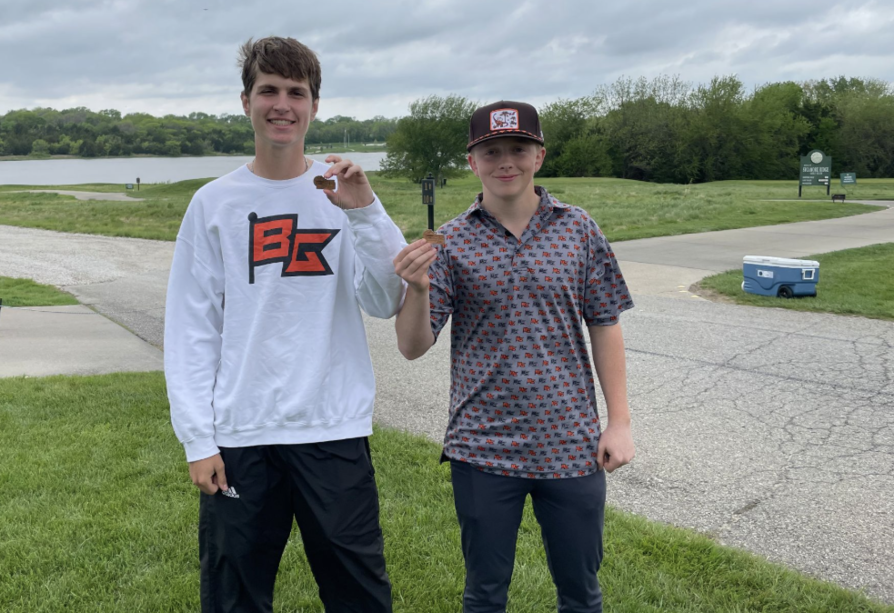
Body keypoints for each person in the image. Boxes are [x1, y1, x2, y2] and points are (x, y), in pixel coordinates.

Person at [164, 36, 405, 613]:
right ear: (245, 101)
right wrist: (199, 439)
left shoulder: (341, 193)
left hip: (333, 427)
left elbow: (388, 297)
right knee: (234, 596)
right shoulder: (214, 203)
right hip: (242, 434)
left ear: (314, 105)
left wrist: (366, 209)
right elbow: (192, 331)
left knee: (359, 592)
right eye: (268, 90)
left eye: (296, 92)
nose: (282, 105)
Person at [393, 101, 635, 613]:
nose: (507, 161)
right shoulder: (451, 241)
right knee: (484, 593)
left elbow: (606, 324)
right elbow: (412, 347)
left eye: (518, 149)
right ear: (472, 161)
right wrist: (416, 290)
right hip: (483, 446)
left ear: (539, 155)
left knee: (581, 592)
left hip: (572, 443)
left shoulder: (578, 229)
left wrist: (619, 423)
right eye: (492, 151)